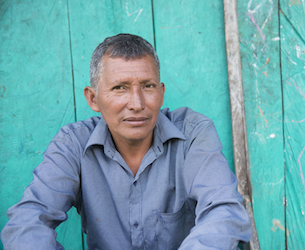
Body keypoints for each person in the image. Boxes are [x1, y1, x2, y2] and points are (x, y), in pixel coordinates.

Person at [1, 34, 252, 249]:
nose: (137, 103)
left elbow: (225, 211)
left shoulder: (193, 134)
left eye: (148, 86)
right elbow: (27, 221)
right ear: (93, 98)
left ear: (161, 92)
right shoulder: (73, 144)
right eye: (120, 87)